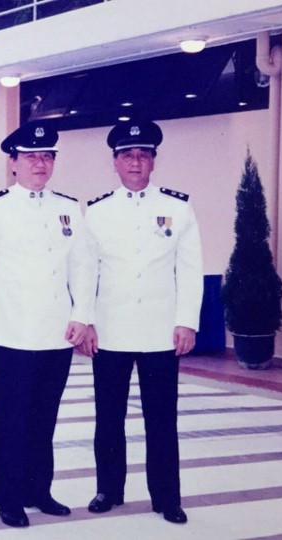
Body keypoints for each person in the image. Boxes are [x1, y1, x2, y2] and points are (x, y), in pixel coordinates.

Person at [0, 122, 94, 528]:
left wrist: (80, 315)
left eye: (47, 156)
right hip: (13, 333)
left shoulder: (69, 207)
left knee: (44, 417)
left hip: (56, 333)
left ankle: (39, 490)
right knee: (11, 418)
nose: (40, 163)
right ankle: (8, 497)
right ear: (13, 163)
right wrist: (2, 303)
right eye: (31, 157)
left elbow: (83, 265)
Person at [78, 119, 203, 525]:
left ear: (153, 161)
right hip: (111, 332)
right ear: (114, 162)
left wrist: (187, 322)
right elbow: (86, 272)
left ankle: (167, 497)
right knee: (109, 418)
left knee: (162, 418)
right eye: (127, 155)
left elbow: (189, 270)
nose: (135, 161)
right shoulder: (96, 212)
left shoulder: (177, 208)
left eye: (143, 155)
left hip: (159, 332)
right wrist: (86, 320)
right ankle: (108, 490)